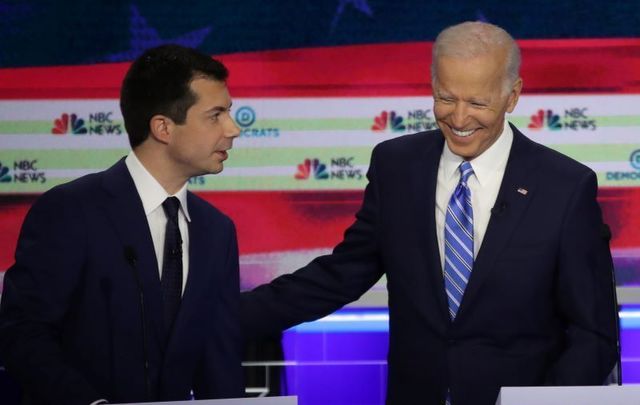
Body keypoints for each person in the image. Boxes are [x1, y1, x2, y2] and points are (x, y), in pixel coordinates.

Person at [241, 21, 618, 405]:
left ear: (512, 95)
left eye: (477, 103)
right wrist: (222, 317)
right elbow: (341, 275)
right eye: (446, 98)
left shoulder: (565, 187)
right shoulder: (397, 167)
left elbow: (595, 332)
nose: (458, 118)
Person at [0, 44, 243, 404]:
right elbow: (22, 332)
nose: (233, 129)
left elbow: (218, 360)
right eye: (216, 115)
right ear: (163, 127)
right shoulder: (71, 210)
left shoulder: (216, 230)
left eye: (230, 113)